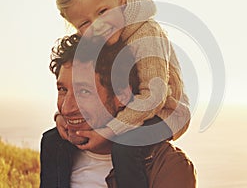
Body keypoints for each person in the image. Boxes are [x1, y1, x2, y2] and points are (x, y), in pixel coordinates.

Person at [54, 0, 191, 187]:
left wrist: (110, 131)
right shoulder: (101, 36)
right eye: (85, 23)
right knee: (53, 140)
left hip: (166, 112)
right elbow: (78, 82)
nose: (98, 26)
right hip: (129, 104)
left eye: (102, 12)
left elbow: (154, 96)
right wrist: (65, 118)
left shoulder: (147, 33)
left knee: (126, 147)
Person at [40, 34, 196, 188]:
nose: (66, 108)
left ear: (121, 95)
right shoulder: (56, 150)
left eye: (84, 92)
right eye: (62, 89)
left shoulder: (169, 167)